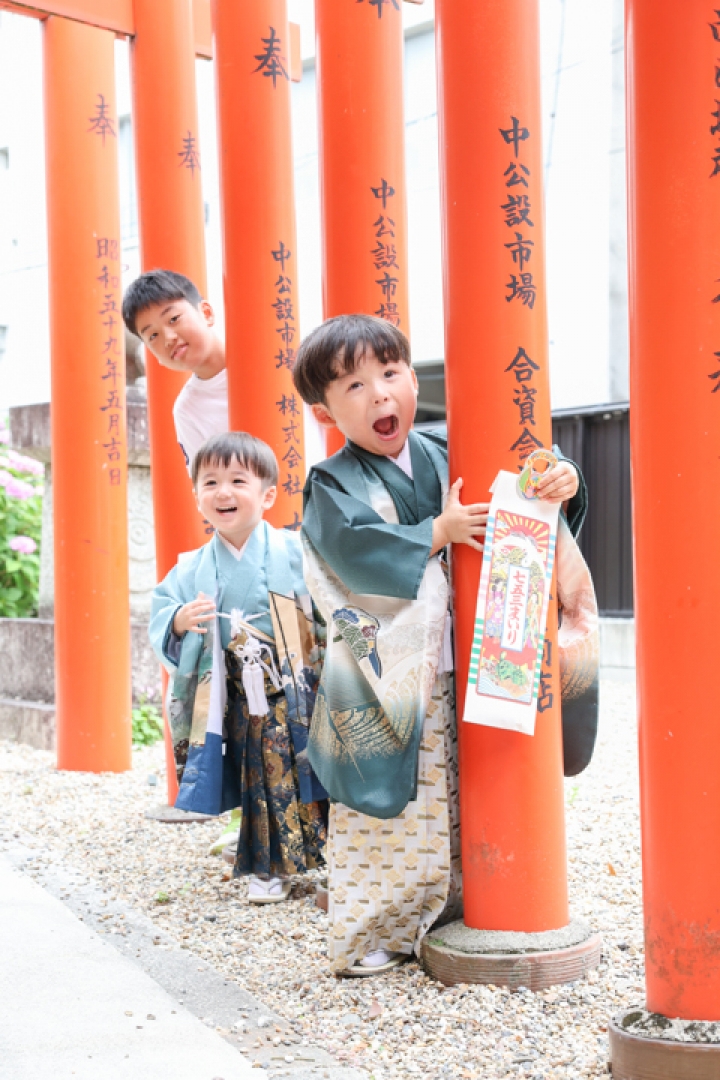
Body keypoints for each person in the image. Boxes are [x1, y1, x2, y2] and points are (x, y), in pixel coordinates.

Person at [292, 313, 585, 975]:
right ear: (324, 412)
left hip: (475, 660)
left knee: (462, 794)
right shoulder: (332, 481)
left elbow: (524, 474)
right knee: (391, 809)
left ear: (412, 378)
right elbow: (351, 554)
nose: (380, 393)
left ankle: (454, 909)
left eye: (390, 372)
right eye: (354, 385)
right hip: (391, 675)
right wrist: (436, 532)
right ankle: (374, 930)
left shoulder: (452, 445)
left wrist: (558, 478)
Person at [149, 432, 327, 903]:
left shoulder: (296, 551)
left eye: (237, 480)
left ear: (267, 496)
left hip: (294, 690)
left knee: (312, 771)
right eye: (210, 482)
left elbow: (331, 603)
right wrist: (179, 621)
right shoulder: (192, 567)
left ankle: (328, 859)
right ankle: (267, 867)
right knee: (258, 780)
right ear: (197, 497)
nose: (222, 491)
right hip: (237, 699)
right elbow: (162, 612)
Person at [122, 269, 228, 472]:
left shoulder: (266, 360)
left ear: (206, 313)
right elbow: (208, 480)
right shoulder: (187, 410)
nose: (168, 338)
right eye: (153, 336)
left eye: (173, 319)